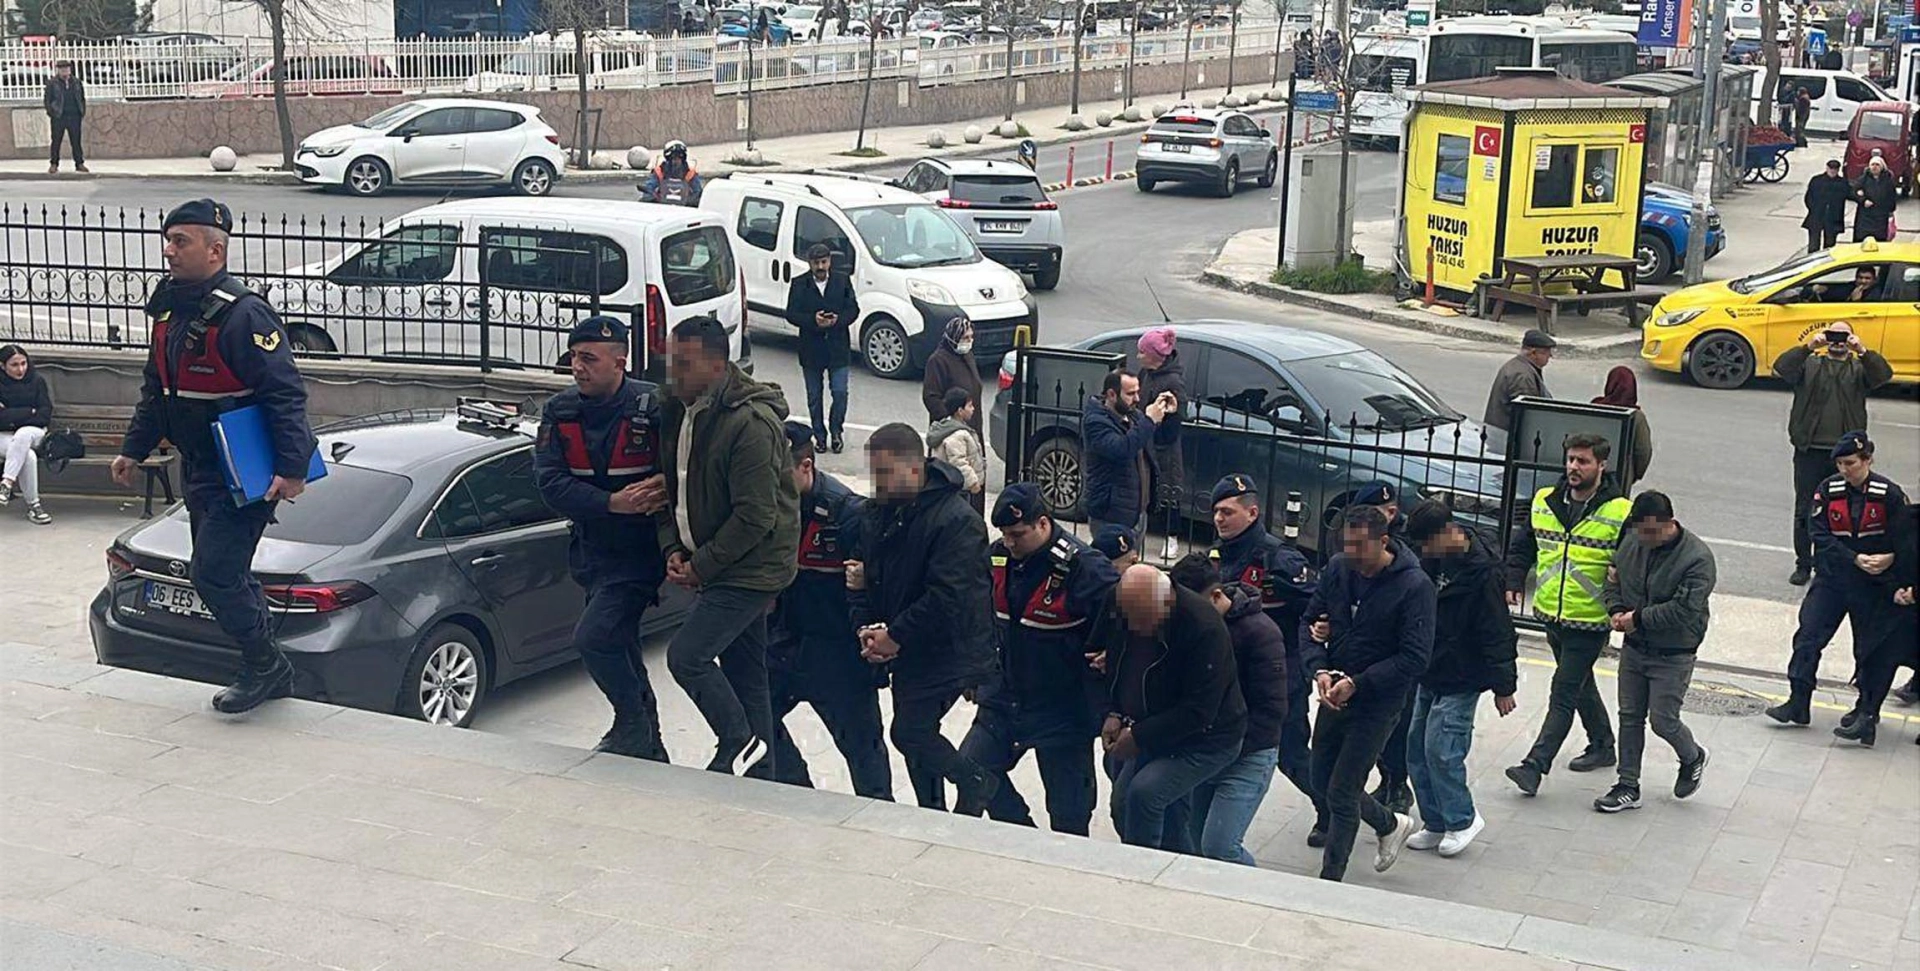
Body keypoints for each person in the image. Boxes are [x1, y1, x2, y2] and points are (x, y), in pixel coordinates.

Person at [114, 199, 314, 714]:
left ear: (215, 250)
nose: (169, 251)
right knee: (227, 571)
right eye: (168, 240)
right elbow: (158, 389)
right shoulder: (169, 310)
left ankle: (265, 664)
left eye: (181, 241)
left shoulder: (244, 314)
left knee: (214, 574)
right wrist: (134, 448)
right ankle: (269, 663)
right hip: (199, 467)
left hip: (242, 470)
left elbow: (284, 393)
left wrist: (292, 468)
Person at [657, 314, 801, 778]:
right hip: (710, 559)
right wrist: (673, 548)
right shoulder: (677, 408)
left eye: (684, 363)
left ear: (717, 366)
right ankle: (761, 775)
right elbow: (670, 488)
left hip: (752, 568)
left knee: (687, 656)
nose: (673, 372)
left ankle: (739, 741)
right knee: (745, 673)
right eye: (670, 360)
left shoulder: (750, 423)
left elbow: (755, 516)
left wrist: (700, 566)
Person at [533, 317, 672, 761]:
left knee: (594, 637)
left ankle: (630, 723)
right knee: (620, 642)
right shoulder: (559, 412)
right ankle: (649, 742)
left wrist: (666, 483)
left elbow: (690, 463)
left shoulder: (654, 406)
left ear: (620, 362)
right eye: (575, 357)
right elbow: (550, 483)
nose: (578, 367)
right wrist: (611, 503)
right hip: (592, 550)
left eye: (589, 359)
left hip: (640, 553)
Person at [850, 422, 999, 812]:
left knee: (910, 731)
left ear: (915, 467)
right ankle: (931, 811)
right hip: (905, 642)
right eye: (875, 473)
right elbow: (867, 573)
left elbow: (949, 596)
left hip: (948, 646)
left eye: (886, 472)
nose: (879, 483)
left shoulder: (956, 520)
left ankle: (976, 780)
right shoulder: (880, 512)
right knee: (917, 738)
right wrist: (869, 626)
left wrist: (895, 636)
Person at [961, 483, 1118, 835]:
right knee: (971, 770)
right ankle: (1021, 835)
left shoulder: (1085, 568)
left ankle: (1060, 861)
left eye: (1018, 534)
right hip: (1003, 699)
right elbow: (977, 618)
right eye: (1005, 534)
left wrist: (1112, 670)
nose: (1009, 542)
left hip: (1063, 709)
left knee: (1070, 813)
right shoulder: (997, 558)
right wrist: (972, 670)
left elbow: (1124, 625)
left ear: (1043, 523)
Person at [1298, 506, 1431, 882]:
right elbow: (1309, 622)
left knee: (1343, 792)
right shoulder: (1339, 569)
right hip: (1335, 695)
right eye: (1347, 545)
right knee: (1320, 779)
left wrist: (1358, 683)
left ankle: (1331, 879)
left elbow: (1415, 657)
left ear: (1383, 541)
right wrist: (1319, 669)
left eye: (1360, 546)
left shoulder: (1414, 586)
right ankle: (1388, 823)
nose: (1352, 554)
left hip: (1378, 701)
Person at [765, 422, 892, 797]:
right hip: (783, 644)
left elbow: (876, 588)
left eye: (779, 476)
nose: (770, 486)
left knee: (864, 753)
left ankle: (876, 813)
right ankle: (797, 788)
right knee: (751, 718)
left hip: (838, 656)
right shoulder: (766, 507)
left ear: (806, 466)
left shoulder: (847, 513)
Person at [1502, 433, 1630, 796]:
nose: (1574, 467)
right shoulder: (1545, 500)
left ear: (1602, 465)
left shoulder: (1621, 511)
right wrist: (1513, 578)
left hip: (1590, 621)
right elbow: (1524, 544)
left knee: (1563, 691)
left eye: (1583, 461)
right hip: (1551, 613)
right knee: (1580, 683)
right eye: (1571, 459)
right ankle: (1603, 744)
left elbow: (1634, 562)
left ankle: (1534, 766)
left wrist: (1622, 598)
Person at [1102, 563, 1246, 853]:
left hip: (1207, 737)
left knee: (1144, 794)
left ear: (1167, 601)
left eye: (1145, 618)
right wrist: (1113, 711)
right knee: (1125, 804)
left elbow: (1200, 710)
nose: (1137, 626)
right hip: (1153, 725)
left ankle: (1142, 867)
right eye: (1131, 617)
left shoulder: (1203, 627)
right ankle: (1171, 862)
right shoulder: (1123, 608)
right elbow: (1115, 663)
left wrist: (1139, 736)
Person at [1769, 431, 1909, 728]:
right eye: (1840, 464)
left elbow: (1907, 538)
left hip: (1871, 585)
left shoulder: (1889, 494)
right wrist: (1852, 557)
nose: (1845, 470)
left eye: (1850, 463)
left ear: (1867, 460)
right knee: (1808, 639)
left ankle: (1865, 710)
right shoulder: (1828, 490)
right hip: (1832, 580)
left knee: (1869, 649)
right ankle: (1798, 701)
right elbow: (1818, 533)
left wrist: (1891, 557)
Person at [1207, 473, 1319, 843]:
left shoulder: (1279, 559)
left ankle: (1340, 810)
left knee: (1291, 754)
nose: (1219, 519)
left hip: (1281, 675)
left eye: (1227, 512)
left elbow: (1318, 606)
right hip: (1236, 674)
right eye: (1216, 512)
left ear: (1252, 513)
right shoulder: (1219, 556)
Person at [1400, 501, 1516, 857]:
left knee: (1443, 749)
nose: (1422, 552)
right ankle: (1435, 821)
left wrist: (1504, 686)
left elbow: (1497, 630)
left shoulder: (1483, 573)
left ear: (1447, 533)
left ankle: (1462, 819)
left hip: (1464, 673)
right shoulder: (1432, 559)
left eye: (1426, 544)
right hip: (1431, 668)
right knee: (1416, 748)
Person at [1593, 490, 1714, 813]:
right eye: (1639, 531)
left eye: (1650, 532)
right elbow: (1612, 580)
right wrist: (1616, 609)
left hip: (1674, 652)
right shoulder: (1633, 541)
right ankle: (1627, 785)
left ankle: (1692, 756)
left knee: (1663, 720)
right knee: (1630, 716)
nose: (1644, 539)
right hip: (1635, 647)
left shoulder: (1697, 559)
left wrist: (1638, 619)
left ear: (1669, 523)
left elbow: (1684, 609)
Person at [1168, 553, 1288, 866]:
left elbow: (1271, 709)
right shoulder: (1195, 627)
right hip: (1208, 750)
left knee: (1220, 847)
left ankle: (1257, 891)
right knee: (1197, 843)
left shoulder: (1260, 633)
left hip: (1249, 753)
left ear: (1216, 596)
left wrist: (1227, 742)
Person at [1773, 322, 1894, 586]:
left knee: (1844, 511)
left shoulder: (1859, 369)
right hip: (1810, 450)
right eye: (1833, 335)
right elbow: (1782, 367)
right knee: (1806, 509)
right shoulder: (1810, 365)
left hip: (1847, 455)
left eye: (1843, 335)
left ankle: (1833, 564)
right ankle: (1803, 564)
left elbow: (1884, 375)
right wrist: (1808, 347)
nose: (1838, 340)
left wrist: (1862, 351)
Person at [1352, 480, 1414, 816]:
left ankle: (1398, 783)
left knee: (1397, 725)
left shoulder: (1408, 550)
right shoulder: (1356, 545)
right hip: (1365, 651)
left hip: (1400, 653)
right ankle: (1387, 778)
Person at [1838, 488, 1916, 746]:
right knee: (1879, 656)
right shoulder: (1907, 519)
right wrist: (1894, 589)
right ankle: (1867, 716)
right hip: (1902, 606)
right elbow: (1885, 556)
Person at [1082, 369, 1173, 537]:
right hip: (1111, 514)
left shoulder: (1134, 416)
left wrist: (1167, 414)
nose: (1137, 399)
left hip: (1137, 511)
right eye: (1130, 394)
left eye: (1138, 392)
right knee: (1111, 555)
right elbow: (1122, 449)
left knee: (1133, 554)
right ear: (1111, 394)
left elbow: (1160, 439)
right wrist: (1149, 420)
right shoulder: (1096, 421)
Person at [785, 243, 858, 453]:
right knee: (814, 397)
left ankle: (836, 432)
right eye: (816, 263)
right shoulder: (799, 284)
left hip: (837, 348)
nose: (820, 267)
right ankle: (819, 436)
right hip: (811, 349)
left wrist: (837, 320)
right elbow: (791, 313)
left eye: (823, 262)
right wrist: (813, 320)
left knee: (840, 393)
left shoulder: (842, 281)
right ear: (809, 263)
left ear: (829, 261)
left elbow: (853, 309)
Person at [1136, 327, 1186, 533]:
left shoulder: (1172, 381)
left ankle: (1171, 536)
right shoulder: (1145, 374)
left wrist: (1158, 439)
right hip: (1146, 440)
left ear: (1154, 356)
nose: (1138, 356)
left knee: (1169, 491)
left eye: (1142, 352)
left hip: (1163, 446)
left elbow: (1177, 416)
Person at [0, 344, 54, 525]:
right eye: (14, 365)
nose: (21, 369)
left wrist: (11, 415)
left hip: (34, 433)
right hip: (4, 435)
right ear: (3, 366)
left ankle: (6, 483)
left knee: (23, 434)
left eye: (23, 363)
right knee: (28, 456)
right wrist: (29, 411)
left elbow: (44, 415)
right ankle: (34, 506)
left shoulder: (37, 381)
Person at [1482, 329, 1555, 454]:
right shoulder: (1522, 376)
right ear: (1533, 353)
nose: (1550, 356)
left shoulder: (1520, 367)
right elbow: (1528, 416)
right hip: (1507, 443)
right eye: (1547, 353)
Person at [1591, 366, 1654, 483]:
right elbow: (1643, 451)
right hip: (1621, 477)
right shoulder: (1636, 417)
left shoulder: (1594, 408)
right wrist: (1633, 474)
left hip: (1590, 473)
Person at [920, 316, 981, 435]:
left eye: (971, 337)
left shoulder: (968, 356)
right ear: (954, 338)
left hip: (972, 425)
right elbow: (931, 397)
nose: (970, 341)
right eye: (965, 338)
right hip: (951, 431)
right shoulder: (938, 361)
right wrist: (950, 422)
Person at [928, 387, 985, 505]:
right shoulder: (957, 435)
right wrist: (973, 482)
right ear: (960, 411)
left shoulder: (949, 427)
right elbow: (958, 462)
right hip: (958, 487)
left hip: (952, 484)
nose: (973, 409)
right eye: (970, 406)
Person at [43, 59, 86, 174]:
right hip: (59, 116)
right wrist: (52, 112)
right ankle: (54, 164)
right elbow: (47, 100)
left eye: (66, 68)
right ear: (58, 70)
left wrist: (81, 111)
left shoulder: (76, 82)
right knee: (56, 141)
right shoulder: (52, 83)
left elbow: (81, 98)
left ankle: (79, 163)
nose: (64, 71)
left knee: (76, 141)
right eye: (62, 69)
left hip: (74, 116)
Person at [1803, 159, 1851, 253]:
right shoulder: (1817, 180)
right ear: (1827, 168)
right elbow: (1808, 197)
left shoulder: (1842, 183)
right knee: (1813, 245)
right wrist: (1814, 209)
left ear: (1838, 170)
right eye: (1831, 168)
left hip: (1833, 218)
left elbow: (1850, 194)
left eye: (1835, 169)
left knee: (1829, 246)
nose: (1832, 171)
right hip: (1816, 216)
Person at [639, 140, 704, 205]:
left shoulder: (690, 173)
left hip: (684, 207)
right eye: (673, 157)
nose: (676, 160)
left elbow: (697, 191)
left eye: (680, 157)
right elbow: (650, 186)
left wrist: (691, 200)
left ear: (683, 158)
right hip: (662, 206)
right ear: (668, 158)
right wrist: (652, 196)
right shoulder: (659, 171)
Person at [1852, 154, 1899, 243]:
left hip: (1881, 216)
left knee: (1879, 241)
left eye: (1877, 165)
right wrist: (1863, 200)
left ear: (1882, 167)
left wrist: (1890, 210)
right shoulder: (1863, 179)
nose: (1874, 167)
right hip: (1865, 217)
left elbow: (1892, 197)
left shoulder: (1888, 180)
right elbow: (1854, 192)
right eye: (1872, 164)